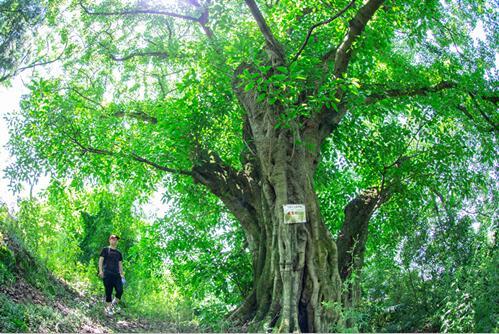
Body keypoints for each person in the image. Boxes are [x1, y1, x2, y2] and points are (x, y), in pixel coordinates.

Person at [98, 234, 125, 316]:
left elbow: (120, 264)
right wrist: (100, 271)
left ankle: (113, 303)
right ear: (109, 240)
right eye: (113, 239)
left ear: (117, 242)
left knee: (120, 290)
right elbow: (100, 260)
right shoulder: (105, 250)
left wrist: (122, 274)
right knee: (108, 292)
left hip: (116, 275)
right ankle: (109, 309)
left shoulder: (119, 253)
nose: (114, 240)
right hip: (107, 274)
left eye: (116, 240)